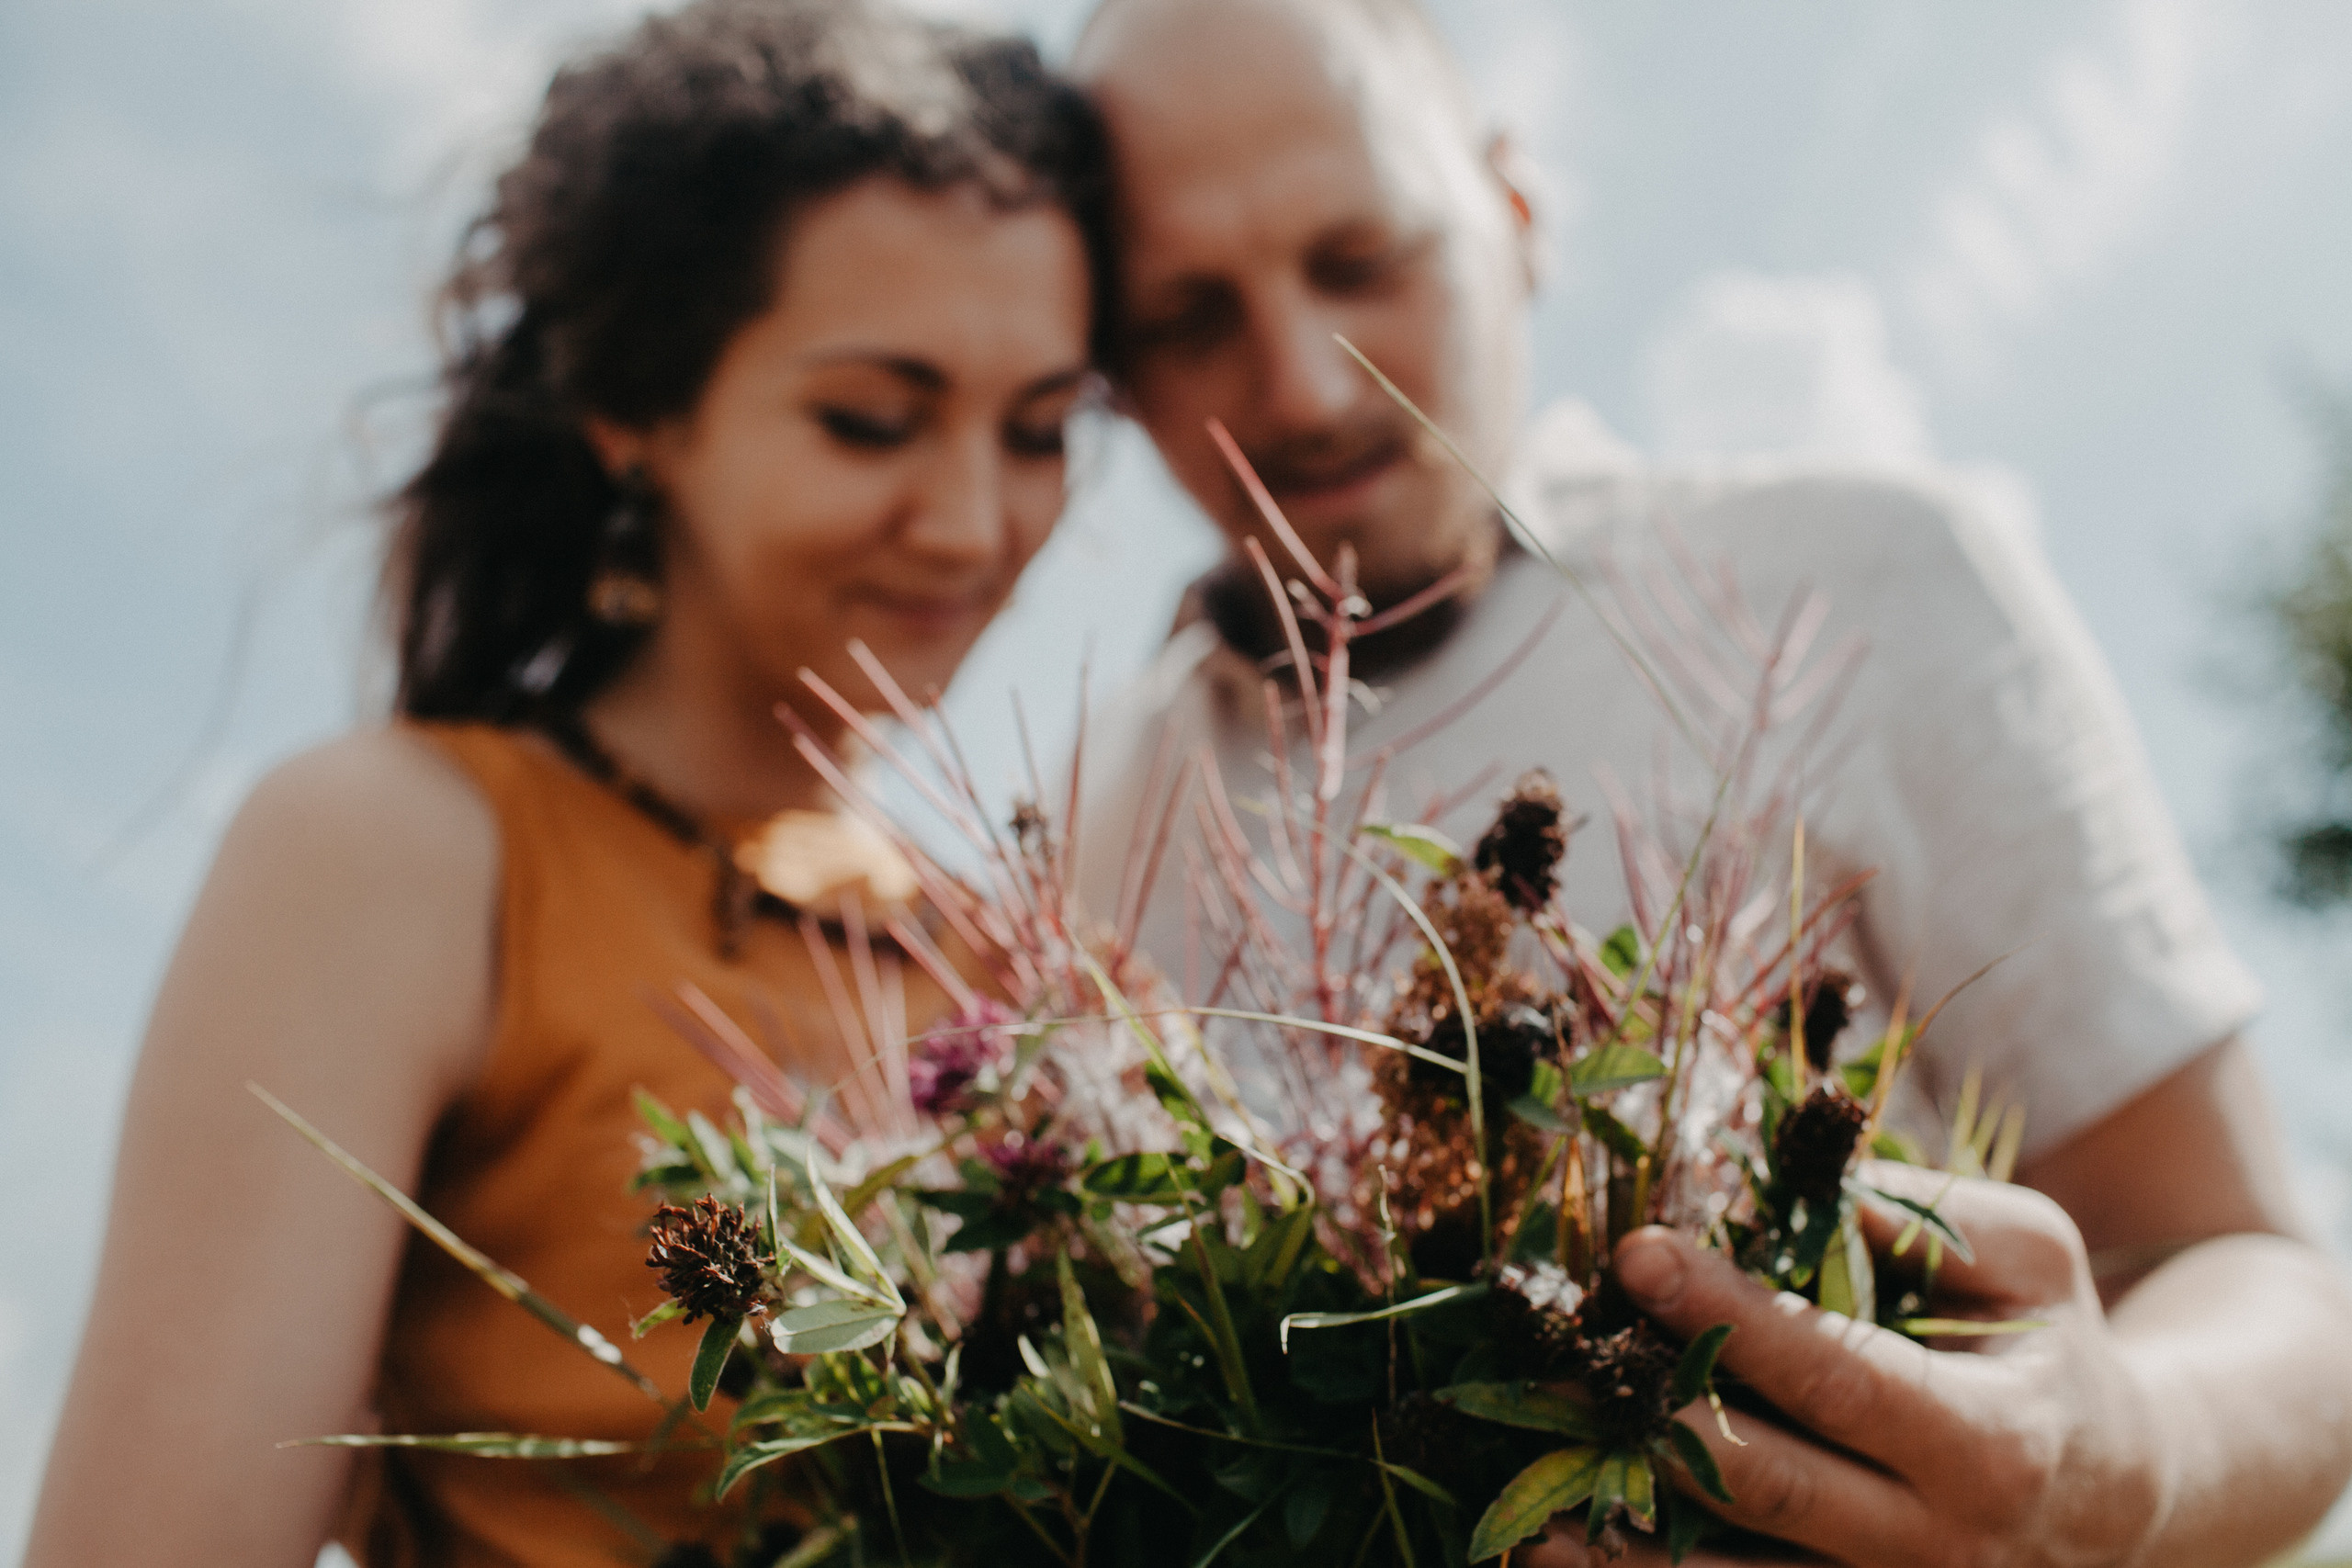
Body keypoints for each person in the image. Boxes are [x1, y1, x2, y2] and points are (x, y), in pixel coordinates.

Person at [1065, 0, 2352, 1562]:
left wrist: (2126, 1464)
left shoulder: (1865, 581)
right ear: (1109, 379)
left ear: (1518, 213)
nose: (1309, 384)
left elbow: (2259, 1274)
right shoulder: (1088, 826)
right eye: (1188, 316)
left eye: (1363, 261)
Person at [25, 4, 1109, 1563]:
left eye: (1043, 431)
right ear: (637, 415)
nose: (971, 520)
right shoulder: (405, 852)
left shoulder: (1016, 956)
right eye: (871, 420)